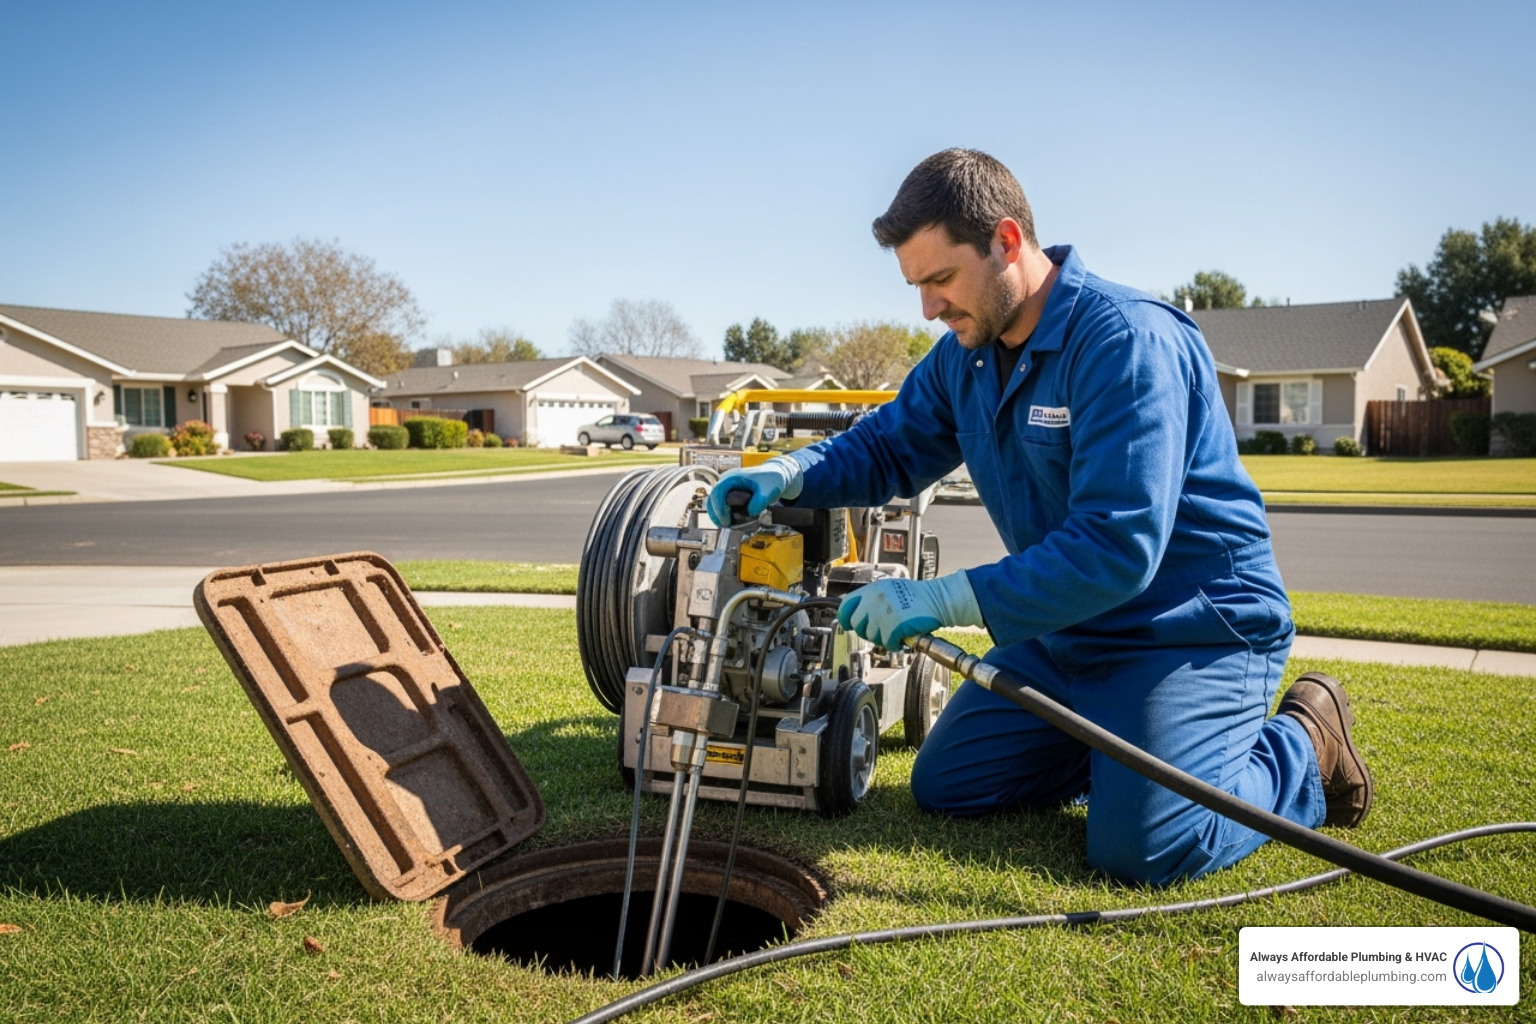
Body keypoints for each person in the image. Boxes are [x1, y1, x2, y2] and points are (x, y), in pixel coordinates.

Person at [707, 148, 1372, 885]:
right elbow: (888, 444)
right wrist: (790, 472)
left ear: (1006, 241)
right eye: (916, 286)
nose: (928, 307)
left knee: (1145, 850)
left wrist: (943, 598)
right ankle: (1128, 750)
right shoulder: (966, 354)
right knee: (949, 785)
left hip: (1187, 631)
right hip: (1066, 632)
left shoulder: (1126, 342)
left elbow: (1117, 547)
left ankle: (1304, 745)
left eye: (940, 279)